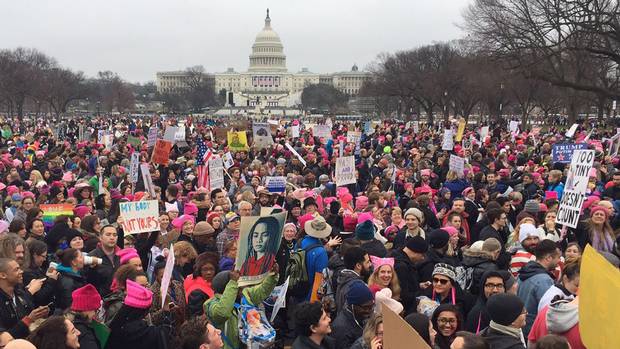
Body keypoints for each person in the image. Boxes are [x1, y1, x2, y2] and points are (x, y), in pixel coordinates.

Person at [204, 266, 278, 349]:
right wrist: (233, 283)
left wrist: (272, 275)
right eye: (238, 284)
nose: (241, 287)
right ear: (226, 287)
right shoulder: (211, 304)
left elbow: (263, 290)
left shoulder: (244, 295)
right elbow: (222, 313)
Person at [106, 279, 172, 349]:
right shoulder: (149, 333)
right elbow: (165, 333)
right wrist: (166, 309)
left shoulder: (115, 328)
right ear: (144, 312)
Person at [517, 240, 560, 336]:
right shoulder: (544, 281)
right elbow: (548, 312)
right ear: (548, 258)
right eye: (557, 257)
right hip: (535, 332)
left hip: (522, 329)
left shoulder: (523, 273)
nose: (559, 261)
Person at [0, 258, 48, 339]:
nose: (21, 271)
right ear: (3, 275)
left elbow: (31, 317)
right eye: (16, 270)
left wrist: (40, 314)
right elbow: (3, 338)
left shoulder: (21, 293)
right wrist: (28, 320)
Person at [331, 280, 375, 349]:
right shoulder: (340, 329)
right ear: (352, 305)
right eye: (365, 307)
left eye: (371, 306)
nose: (369, 311)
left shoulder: (360, 317)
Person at [391, 236, 428, 314]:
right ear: (415, 252)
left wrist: (419, 285)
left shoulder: (395, 256)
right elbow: (404, 295)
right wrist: (423, 292)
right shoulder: (401, 267)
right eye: (422, 255)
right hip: (404, 311)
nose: (422, 258)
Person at [299, 216, 332, 301]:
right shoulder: (321, 252)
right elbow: (319, 280)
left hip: (297, 289)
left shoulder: (300, 242)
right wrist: (314, 303)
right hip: (309, 294)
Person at [67, 284, 108, 349]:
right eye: (95, 310)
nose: (96, 314)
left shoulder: (67, 323)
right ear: (86, 309)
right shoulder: (85, 334)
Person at [85, 224, 122, 296]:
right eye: (108, 235)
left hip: (120, 298)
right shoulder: (92, 256)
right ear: (100, 237)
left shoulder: (121, 255)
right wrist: (91, 269)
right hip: (101, 299)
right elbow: (87, 282)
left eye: (114, 235)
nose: (112, 238)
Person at [335, 246, 372, 312]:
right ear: (358, 266)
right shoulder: (357, 288)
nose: (370, 264)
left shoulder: (343, 278)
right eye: (367, 262)